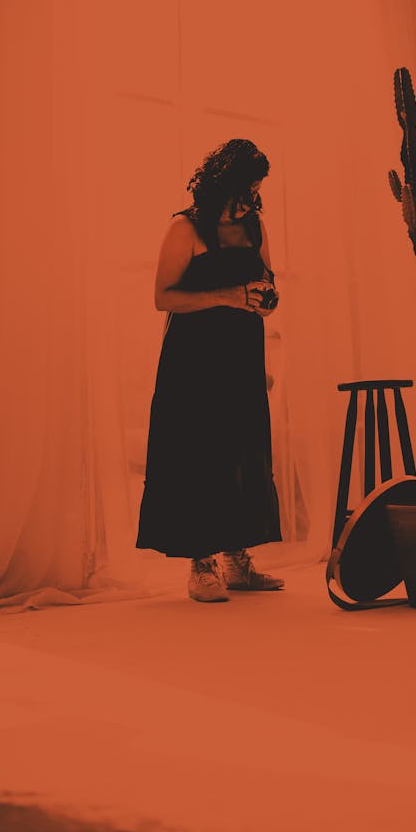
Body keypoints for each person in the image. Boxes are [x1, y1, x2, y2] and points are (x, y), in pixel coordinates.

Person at [136, 138, 285, 602]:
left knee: (242, 451)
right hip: (194, 359)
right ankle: (200, 564)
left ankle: (237, 561)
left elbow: (267, 277)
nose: (252, 198)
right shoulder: (185, 227)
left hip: (242, 352)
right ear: (224, 182)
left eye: (257, 188)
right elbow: (164, 298)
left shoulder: (255, 225)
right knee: (198, 454)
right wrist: (228, 297)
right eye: (247, 187)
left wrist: (266, 299)